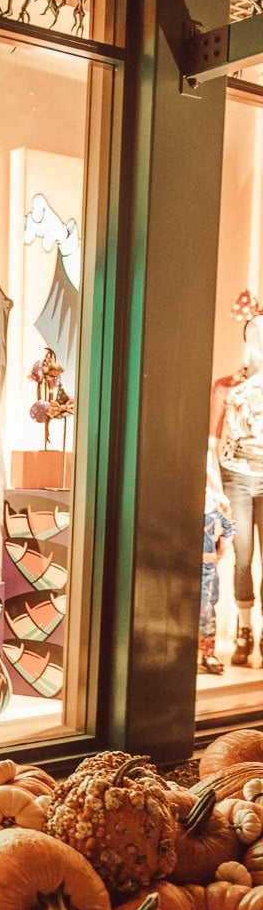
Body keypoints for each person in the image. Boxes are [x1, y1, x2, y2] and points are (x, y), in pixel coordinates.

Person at [208, 289, 263, 666]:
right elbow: (210, 441)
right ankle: (244, 631)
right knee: (242, 556)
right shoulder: (227, 387)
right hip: (238, 477)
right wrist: (214, 487)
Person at [198, 488, 235, 674]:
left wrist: (225, 540)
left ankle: (207, 652)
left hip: (208, 561)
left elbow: (228, 524)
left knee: (207, 602)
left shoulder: (214, 501)